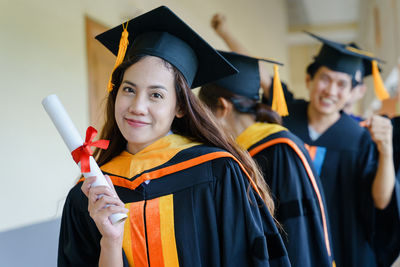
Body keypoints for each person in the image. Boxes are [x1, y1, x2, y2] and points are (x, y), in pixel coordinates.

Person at [57, 6, 291, 267]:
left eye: (156, 95)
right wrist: (110, 242)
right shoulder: (91, 194)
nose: (137, 106)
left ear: (180, 106)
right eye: (129, 89)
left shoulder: (216, 173)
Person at [211, 14, 399, 267]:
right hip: (293, 242)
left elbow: (381, 201)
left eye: (341, 84)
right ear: (310, 79)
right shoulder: (286, 116)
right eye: (325, 78)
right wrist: (225, 31)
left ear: (354, 92)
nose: (331, 90)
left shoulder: (360, 138)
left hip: (344, 245)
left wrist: (386, 150)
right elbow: (261, 72)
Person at [199, 51, 334, 267]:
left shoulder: (279, 149)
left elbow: (297, 233)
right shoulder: (246, 149)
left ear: (223, 107)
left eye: (204, 115)